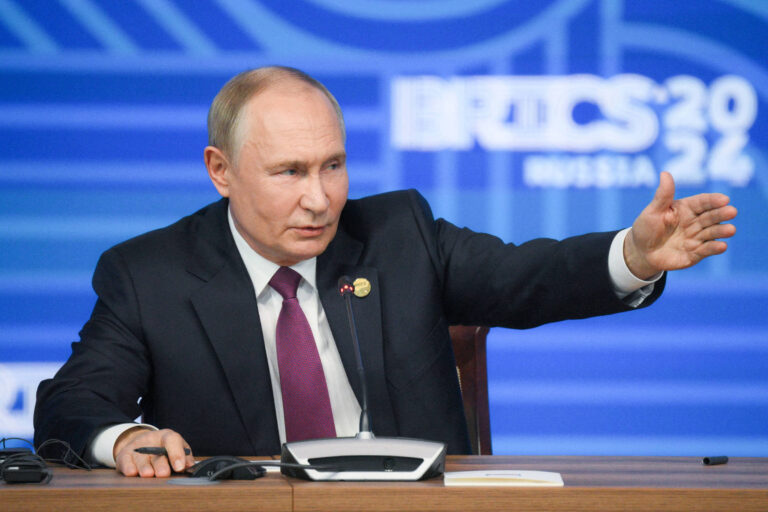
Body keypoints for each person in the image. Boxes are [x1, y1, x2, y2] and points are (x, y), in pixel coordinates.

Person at [34, 66, 737, 478]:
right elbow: (72, 405)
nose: (320, 198)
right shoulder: (148, 274)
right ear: (220, 171)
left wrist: (633, 257)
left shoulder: (396, 234)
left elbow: (528, 276)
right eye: (289, 172)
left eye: (333, 166)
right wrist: (122, 439)